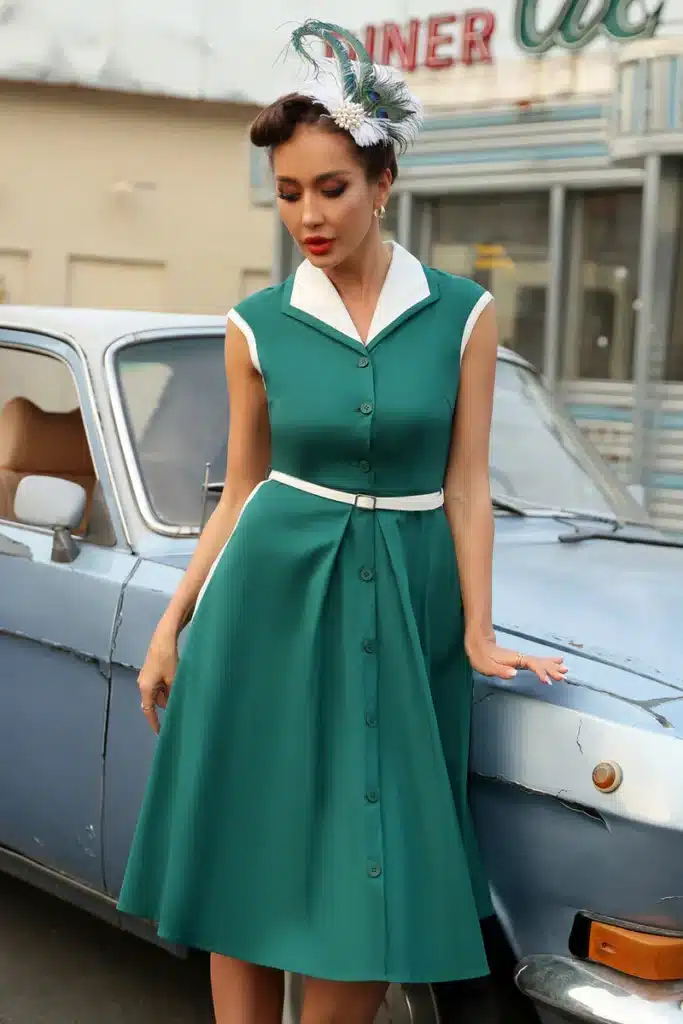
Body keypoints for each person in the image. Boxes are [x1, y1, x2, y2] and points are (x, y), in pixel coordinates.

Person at [117, 20, 568, 1024]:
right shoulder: (257, 325)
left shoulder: (461, 313)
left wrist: (478, 630)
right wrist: (170, 620)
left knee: (372, 862)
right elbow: (240, 488)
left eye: (330, 189)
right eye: (287, 195)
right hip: (264, 599)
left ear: (382, 181)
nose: (307, 216)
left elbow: (462, 484)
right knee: (248, 839)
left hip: (405, 596)